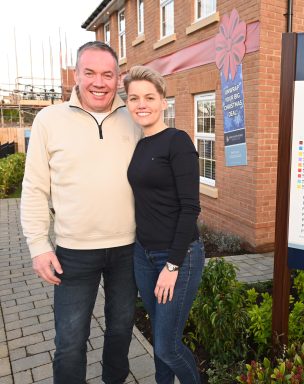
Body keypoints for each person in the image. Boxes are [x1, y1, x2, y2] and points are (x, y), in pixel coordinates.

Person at [20, 41, 142, 384]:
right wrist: (38, 246)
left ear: (119, 78)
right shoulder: (49, 120)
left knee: (120, 331)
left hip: (128, 249)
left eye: (108, 74)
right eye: (90, 73)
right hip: (73, 253)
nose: (99, 82)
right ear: (77, 74)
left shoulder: (135, 119)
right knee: (70, 340)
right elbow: (34, 188)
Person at [124, 65, 204, 384]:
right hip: (143, 255)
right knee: (159, 343)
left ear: (163, 102)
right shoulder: (140, 145)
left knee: (168, 347)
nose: (141, 104)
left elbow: (190, 207)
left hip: (176, 257)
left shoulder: (177, 141)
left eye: (149, 97)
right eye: (134, 98)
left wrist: (172, 265)